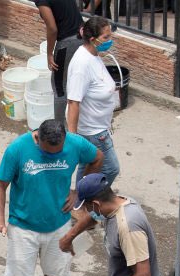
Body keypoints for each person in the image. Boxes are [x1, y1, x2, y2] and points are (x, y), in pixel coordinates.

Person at [0, 119, 102, 276]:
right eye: (47, 152)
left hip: (59, 225)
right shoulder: (18, 148)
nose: (52, 156)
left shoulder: (75, 143)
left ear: (64, 139)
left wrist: (79, 191)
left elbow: (97, 158)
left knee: (55, 274)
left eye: (57, 152)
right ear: (38, 138)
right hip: (23, 227)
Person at [66, 16, 120, 184]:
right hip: (93, 132)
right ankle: (89, 199)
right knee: (111, 168)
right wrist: (73, 138)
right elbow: (73, 102)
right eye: (106, 37)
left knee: (87, 167)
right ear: (92, 39)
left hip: (99, 126)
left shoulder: (93, 54)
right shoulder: (82, 65)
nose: (110, 40)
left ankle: (80, 202)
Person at [36, 0, 83, 121]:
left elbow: (52, 29)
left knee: (59, 87)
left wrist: (49, 54)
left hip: (68, 43)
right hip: (82, 37)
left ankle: (58, 130)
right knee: (74, 80)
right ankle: (76, 120)